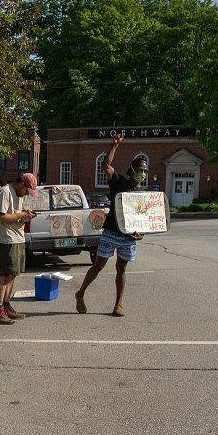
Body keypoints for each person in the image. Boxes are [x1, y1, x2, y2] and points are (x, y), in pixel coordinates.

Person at [74, 133, 146, 317]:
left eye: (145, 170)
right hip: (111, 232)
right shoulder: (119, 181)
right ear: (132, 168)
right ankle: (80, 293)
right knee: (98, 266)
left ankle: (118, 304)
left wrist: (141, 234)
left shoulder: (140, 193)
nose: (142, 173)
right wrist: (114, 145)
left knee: (122, 268)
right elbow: (105, 165)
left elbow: (144, 218)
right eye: (140, 169)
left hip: (129, 236)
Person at [0, 173, 37, 324]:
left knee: (12, 274)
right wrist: (22, 214)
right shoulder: (5, 192)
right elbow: (0, 217)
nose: (26, 194)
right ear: (21, 184)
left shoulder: (19, 195)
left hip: (17, 238)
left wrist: (25, 215)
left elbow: (14, 214)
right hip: (7, 240)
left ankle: (5, 305)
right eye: (26, 191)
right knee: (4, 275)